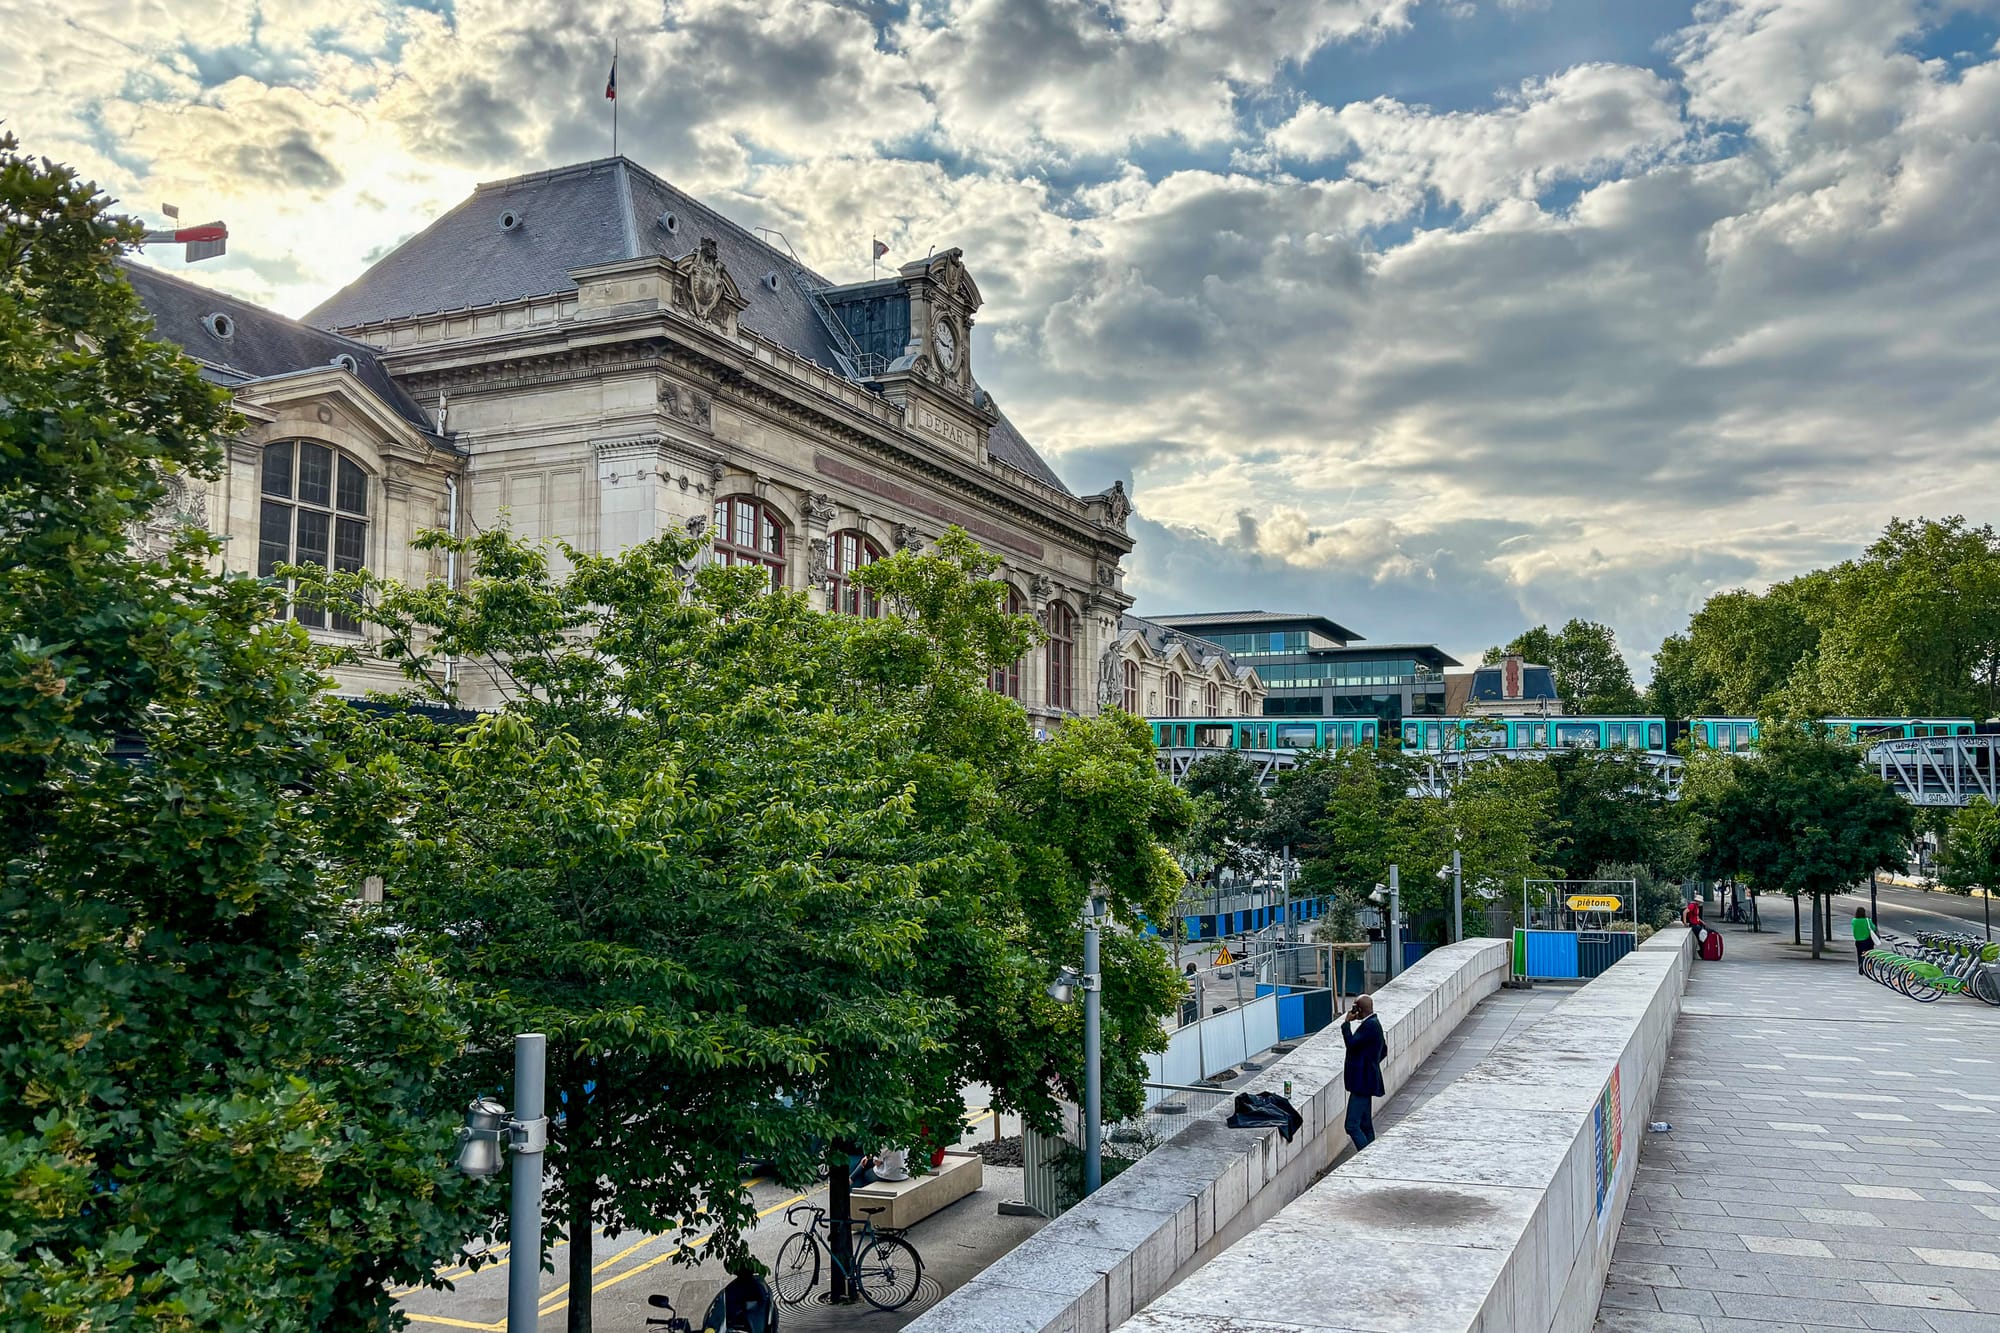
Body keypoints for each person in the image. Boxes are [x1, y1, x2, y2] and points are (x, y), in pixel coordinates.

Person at [1341, 994, 1387, 1151]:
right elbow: (1384, 1051)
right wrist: (1371, 1064)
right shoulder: (1375, 1024)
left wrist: (1346, 1024)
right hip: (1367, 1081)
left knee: (1352, 1125)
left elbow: (1352, 1045)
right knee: (1365, 1124)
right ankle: (1372, 1153)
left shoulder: (1369, 1026)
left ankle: (1365, 1156)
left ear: (1359, 1009)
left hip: (1361, 1084)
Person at [1853, 906, 1876, 974]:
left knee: (1859, 954)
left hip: (1858, 940)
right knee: (1869, 954)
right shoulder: (1867, 920)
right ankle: (1869, 968)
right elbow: (1874, 928)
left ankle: (1860, 966)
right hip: (1867, 940)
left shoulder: (1854, 920)